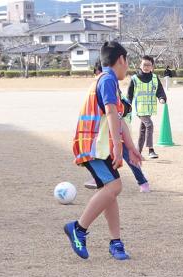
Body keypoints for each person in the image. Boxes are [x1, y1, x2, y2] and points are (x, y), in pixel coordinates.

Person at [66, 41, 142, 260]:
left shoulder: (109, 81)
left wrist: (130, 147)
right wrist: (119, 149)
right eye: (128, 62)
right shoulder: (107, 80)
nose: (128, 68)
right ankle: (78, 229)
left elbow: (118, 118)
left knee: (110, 191)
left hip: (98, 147)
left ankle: (116, 242)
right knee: (114, 186)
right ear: (121, 60)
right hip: (93, 147)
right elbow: (110, 113)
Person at [84, 60, 150, 193]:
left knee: (128, 155)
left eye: (97, 73)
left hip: (119, 130)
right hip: (108, 132)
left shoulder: (108, 85)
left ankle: (142, 181)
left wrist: (123, 142)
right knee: (107, 157)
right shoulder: (106, 84)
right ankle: (101, 178)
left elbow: (117, 113)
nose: (97, 77)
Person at [127, 55, 166, 159]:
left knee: (143, 130)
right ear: (140, 65)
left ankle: (137, 153)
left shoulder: (154, 78)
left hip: (149, 108)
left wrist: (161, 97)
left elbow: (159, 90)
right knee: (149, 125)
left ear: (152, 66)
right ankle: (151, 150)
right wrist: (128, 104)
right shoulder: (135, 78)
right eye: (144, 64)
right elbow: (129, 94)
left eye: (149, 65)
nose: (146, 67)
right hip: (140, 108)